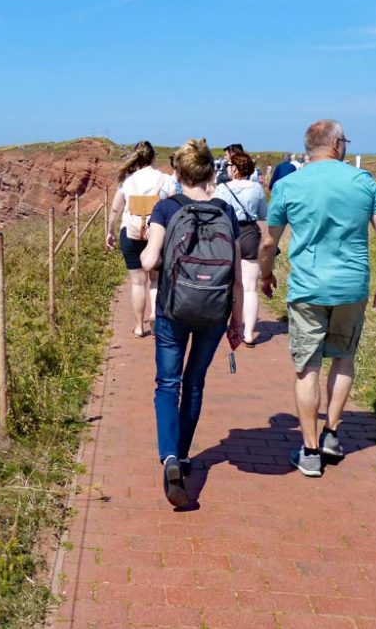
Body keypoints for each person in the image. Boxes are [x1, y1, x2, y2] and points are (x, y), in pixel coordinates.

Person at [259, 120, 376, 478]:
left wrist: (265, 273)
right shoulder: (364, 182)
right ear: (337, 144)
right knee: (343, 358)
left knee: (307, 367)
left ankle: (308, 452)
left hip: (307, 287)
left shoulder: (288, 184)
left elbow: (268, 242)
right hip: (351, 286)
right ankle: (332, 434)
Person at [140, 138, 244, 506]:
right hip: (214, 312)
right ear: (209, 172)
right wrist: (237, 322)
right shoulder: (225, 212)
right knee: (194, 382)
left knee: (168, 384)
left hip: (173, 309)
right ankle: (184, 456)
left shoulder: (167, 209)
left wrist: (148, 238)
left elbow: (150, 261)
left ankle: (169, 456)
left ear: (178, 172)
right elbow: (235, 277)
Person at [106, 141, 172, 338]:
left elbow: (115, 210)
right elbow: (175, 204)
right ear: (153, 157)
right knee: (155, 279)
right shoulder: (164, 179)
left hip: (131, 234)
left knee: (137, 282)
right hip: (156, 234)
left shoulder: (128, 181)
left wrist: (109, 231)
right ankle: (154, 314)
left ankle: (138, 327)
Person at [212, 150, 267, 346]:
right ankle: (249, 333)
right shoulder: (257, 188)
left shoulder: (222, 188)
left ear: (234, 168)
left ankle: (224, 323)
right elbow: (262, 214)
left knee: (225, 281)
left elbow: (215, 211)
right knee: (250, 286)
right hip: (249, 233)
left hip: (227, 232)